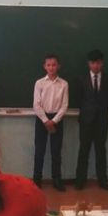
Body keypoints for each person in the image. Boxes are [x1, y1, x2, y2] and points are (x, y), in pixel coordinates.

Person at [74, 49, 108, 190]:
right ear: (88, 64)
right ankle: (80, 181)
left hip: (102, 121)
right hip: (86, 121)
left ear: (102, 63)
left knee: (101, 151)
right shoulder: (81, 79)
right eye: (93, 63)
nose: (95, 66)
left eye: (98, 63)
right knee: (83, 151)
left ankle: (103, 181)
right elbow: (79, 99)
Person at [33, 54, 68, 191]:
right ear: (44, 67)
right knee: (39, 151)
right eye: (48, 65)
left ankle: (57, 180)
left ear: (58, 66)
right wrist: (46, 120)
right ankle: (37, 180)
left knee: (56, 152)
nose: (51, 67)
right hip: (42, 118)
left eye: (54, 65)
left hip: (57, 119)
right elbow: (36, 105)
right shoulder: (39, 83)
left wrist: (53, 121)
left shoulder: (64, 84)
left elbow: (64, 106)